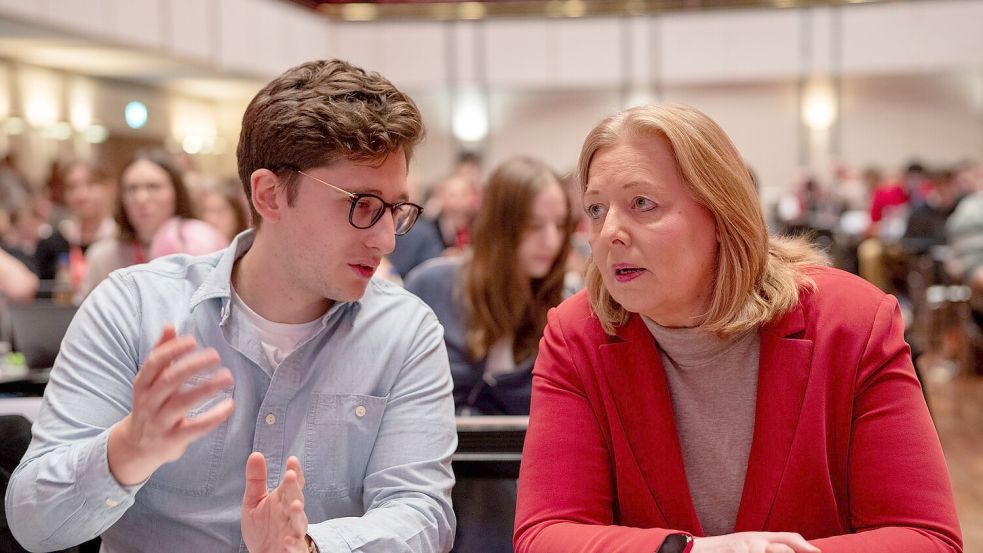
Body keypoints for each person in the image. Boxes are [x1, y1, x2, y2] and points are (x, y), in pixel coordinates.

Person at [6, 59, 457, 553]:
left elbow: (421, 513)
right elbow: (34, 523)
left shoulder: (404, 331)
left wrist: (308, 547)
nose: (387, 240)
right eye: (363, 206)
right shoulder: (133, 307)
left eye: (396, 209)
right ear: (269, 195)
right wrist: (127, 451)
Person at [513, 104, 961, 553]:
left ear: (722, 214)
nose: (609, 231)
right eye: (595, 208)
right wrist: (693, 551)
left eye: (642, 204)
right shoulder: (576, 336)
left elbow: (926, 538)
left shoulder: (853, 323)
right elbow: (545, 533)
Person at [405, 156, 573, 416]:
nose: (551, 241)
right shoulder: (431, 285)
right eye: (534, 225)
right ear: (499, 226)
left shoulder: (563, 306)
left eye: (560, 226)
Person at [78, 149, 196, 297]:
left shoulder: (198, 249)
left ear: (177, 193)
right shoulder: (103, 257)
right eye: (132, 189)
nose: (141, 198)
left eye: (153, 187)